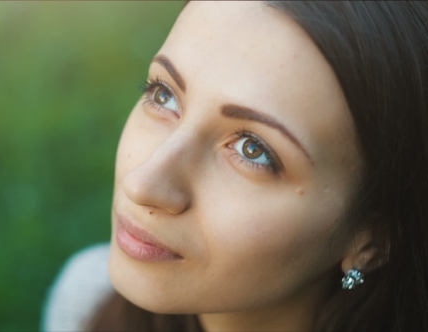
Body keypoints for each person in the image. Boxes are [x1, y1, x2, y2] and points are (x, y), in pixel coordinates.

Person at [42, 1, 428, 331]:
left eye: (253, 148)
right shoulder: (84, 302)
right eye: (164, 95)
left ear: (374, 240)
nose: (143, 184)